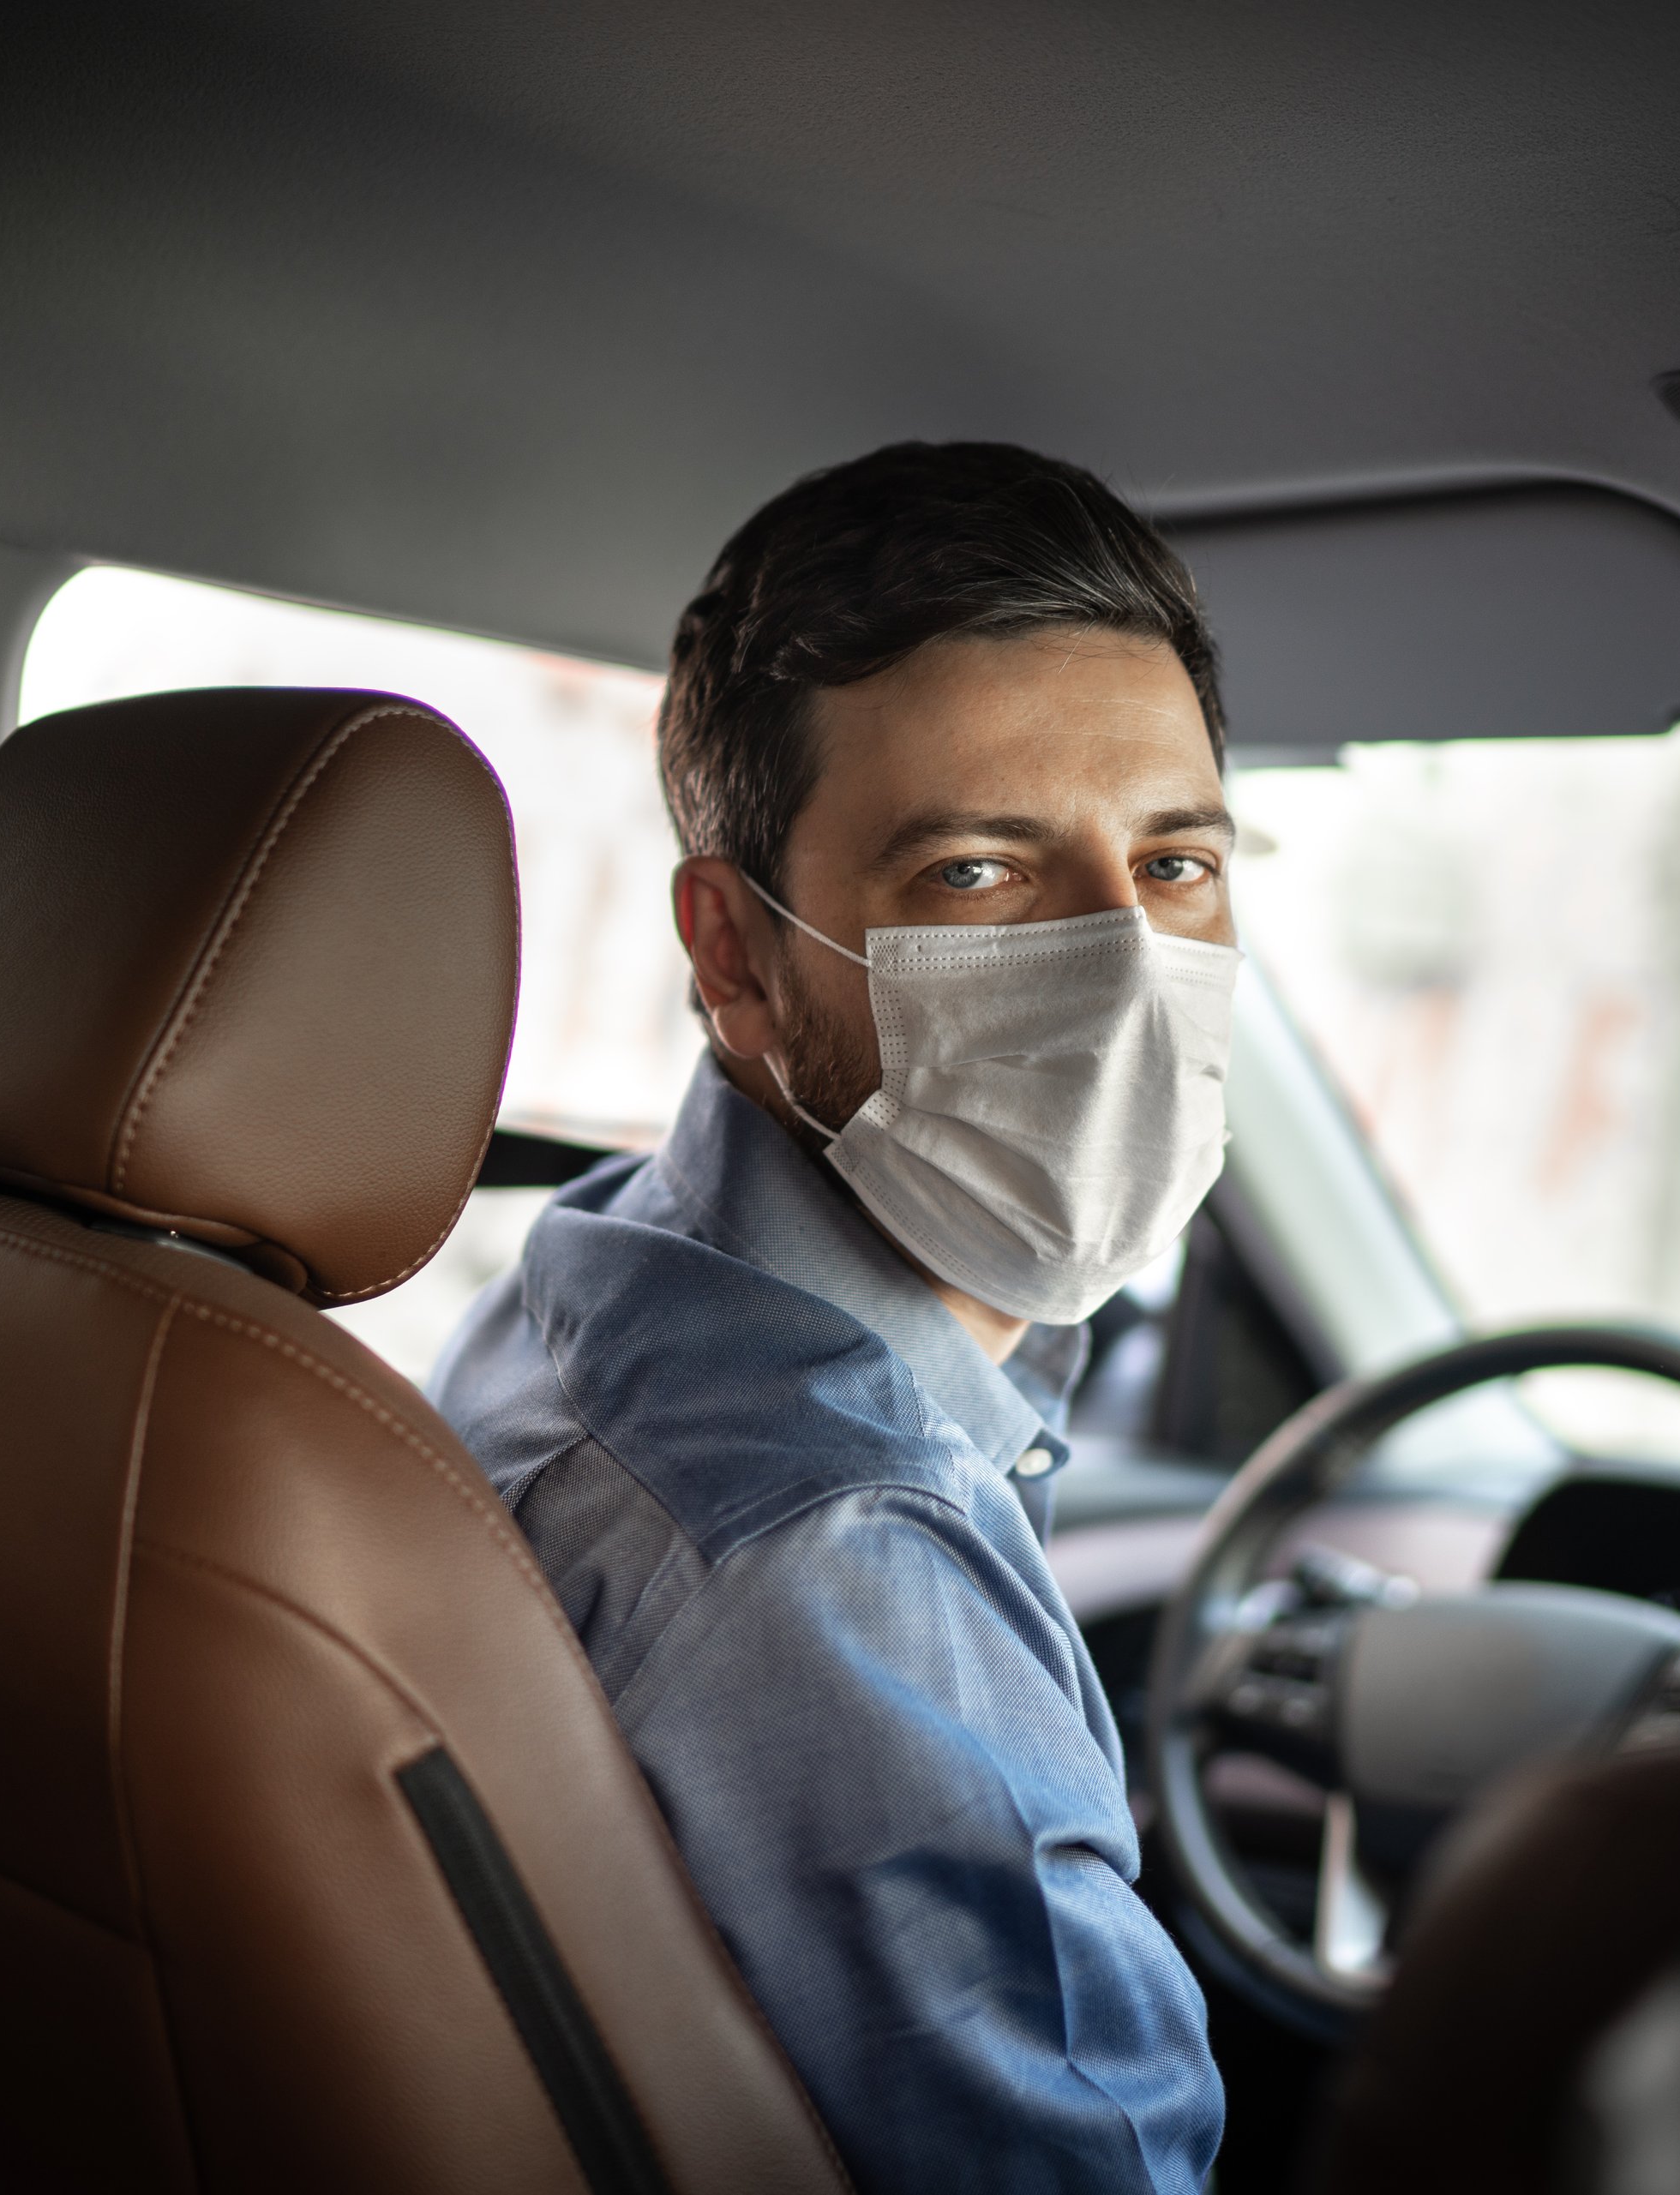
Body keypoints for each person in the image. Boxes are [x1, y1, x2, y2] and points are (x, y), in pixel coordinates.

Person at [431, 441, 1237, 2193]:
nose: (1121, 973)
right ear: (734, 954)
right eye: (976, 875)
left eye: (1175, 865)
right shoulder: (835, 1543)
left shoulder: (609, 1266)